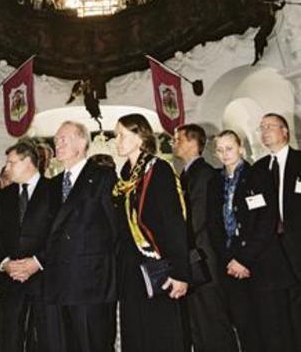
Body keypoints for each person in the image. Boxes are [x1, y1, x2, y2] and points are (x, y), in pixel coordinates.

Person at [207, 130, 295, 351]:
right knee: (246, 331)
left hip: (262, 265)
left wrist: (244, 259)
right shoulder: (213, 183)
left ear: (241, 149)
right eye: (220, 149)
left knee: (274, 332)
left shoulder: (259, 176)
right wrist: (230, 260)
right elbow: (213, 227)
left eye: (229, 148)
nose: (225, 154)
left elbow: (266, 222)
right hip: (231, 269)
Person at [113, 113, 188, 351]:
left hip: (158, 266)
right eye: (116, 136)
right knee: (136, 334)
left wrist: (181, 272)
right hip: (130, 270)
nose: (117, 141)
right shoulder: (124, 178)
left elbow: (174, 223)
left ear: (140, 137)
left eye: (122, 135)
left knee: (160, 333)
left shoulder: (159, 170)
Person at [44, 121, 118, 352]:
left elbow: (116, 229)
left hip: (92, 284)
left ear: (82, 142)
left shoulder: (103, 177)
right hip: (60, 283)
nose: (58, 144)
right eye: (56, 140)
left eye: (63, 139)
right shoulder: (53, 185)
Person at [173, 123, 238, 352]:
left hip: (204, 258)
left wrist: (180, 246)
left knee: (212, 322)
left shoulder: (205, 174)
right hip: (192, 257)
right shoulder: (185, 174)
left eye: (178, 139)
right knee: (197, 323)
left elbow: (198, 218)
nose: (174, 144)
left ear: (192, 142)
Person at [0, 139, 56, 352]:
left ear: (28, 162)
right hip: (10, 283)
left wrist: (37, 262)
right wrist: (5, 263)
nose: (6, 168)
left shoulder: (54, 191)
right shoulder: (4, 195)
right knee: (9, 340)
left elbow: (60, 235)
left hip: (44, 282)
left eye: (11, 163)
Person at [253, 113, 301, 348]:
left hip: (298, 244)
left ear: (285, 131)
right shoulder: (258, 168)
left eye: (270, 126)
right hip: (272, 251)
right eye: (261, 127)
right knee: (282, 313)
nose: (264, 131)